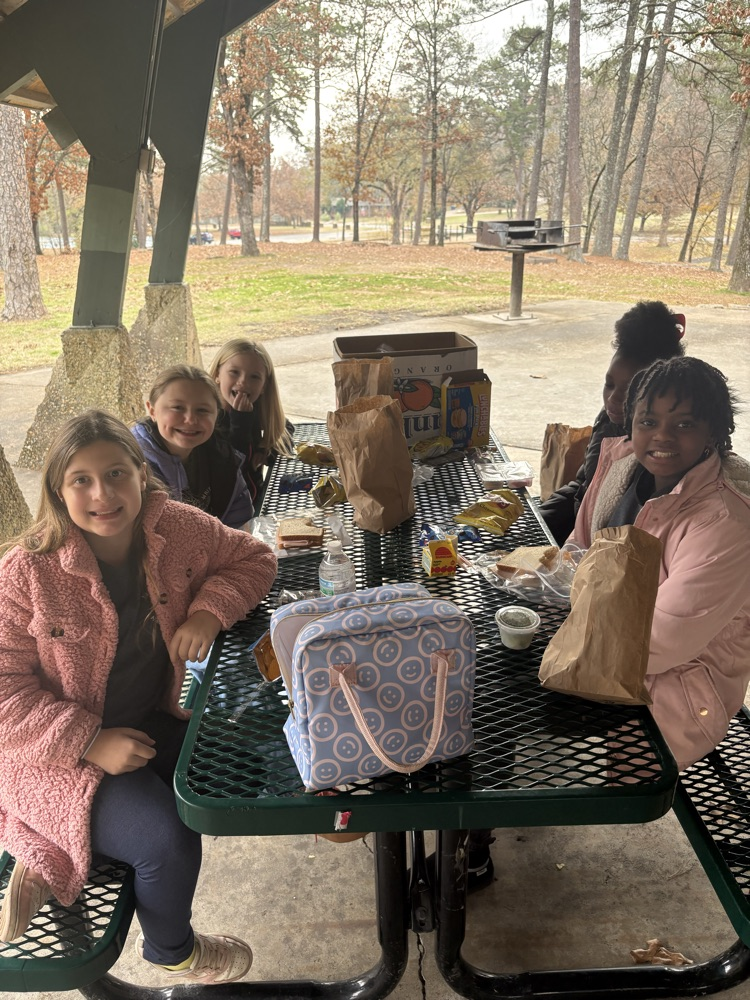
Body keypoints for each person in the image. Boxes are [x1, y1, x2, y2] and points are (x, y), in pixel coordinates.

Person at [0, 410, 277, 984]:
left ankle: (46, 847)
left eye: (117, 473)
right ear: (57, 489)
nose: (103, 494)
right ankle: (174, 950)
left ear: (141, 475)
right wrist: (89, 740)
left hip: (154, 720)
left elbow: (254, 558)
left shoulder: (175, 526)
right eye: (81, 479)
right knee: (167, 842)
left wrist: (208, 609)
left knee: (245, 768)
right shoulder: (25, 572)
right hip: (50, 755)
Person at [571, 356, 750, 771]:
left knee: (517, 709)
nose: (661, 437)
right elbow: (578, 551)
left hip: (676, 692)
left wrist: (568, 639)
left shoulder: (726, 524)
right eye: (647, 422)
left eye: (684, 424)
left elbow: (660, 642)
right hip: (602, 646)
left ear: (715, 432)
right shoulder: (622, 471)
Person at [540, 301, 686, 544]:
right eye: (609, 384)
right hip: (580, 532)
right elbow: (584, 486)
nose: (613, 399)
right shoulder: (609, 419)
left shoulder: (662, 450)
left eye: (630, 390)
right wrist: (536, 519)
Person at [133, 365, 254, 529]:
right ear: (152, 411)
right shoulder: (132, 465)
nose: (190, 419)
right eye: (177, 408)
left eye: (202, 410)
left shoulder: (222, 457)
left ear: (216, 415)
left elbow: (240, 518)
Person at [208, 339, 293, 509]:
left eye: (254, 377)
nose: (243, 382)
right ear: (217, 374)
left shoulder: (254, 408)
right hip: (225, 511)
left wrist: (265, 449)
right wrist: (241, 421)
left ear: (263, 386)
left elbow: (284, 428)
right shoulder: (207, 416)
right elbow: (231, 465)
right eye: (234, 372)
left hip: (257, 503)